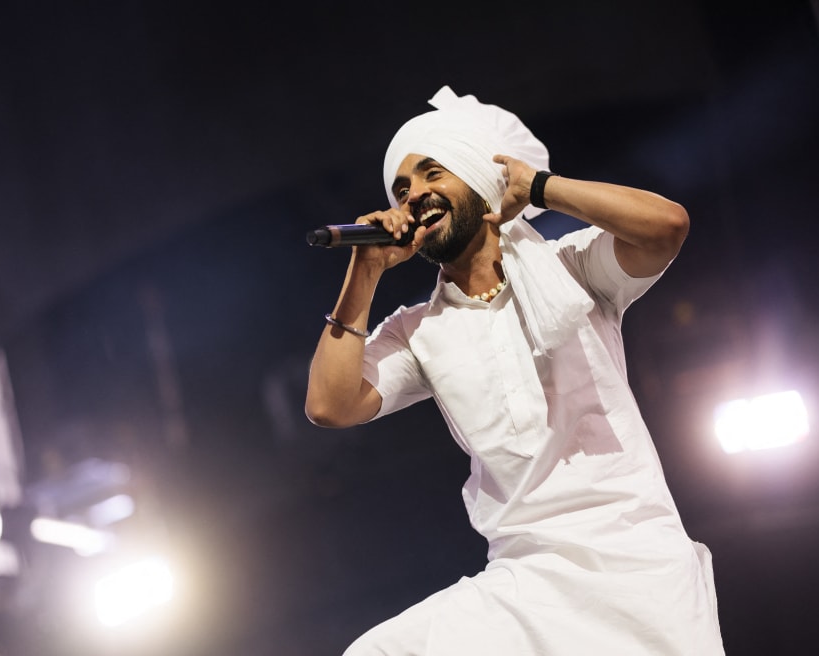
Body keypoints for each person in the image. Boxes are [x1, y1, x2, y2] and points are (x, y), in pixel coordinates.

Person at [304, 85, 725, 655]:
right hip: (526, 582)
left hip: (636, 563)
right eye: (402, 189)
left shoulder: (574, 269)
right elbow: (330, 406)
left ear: (480, 182)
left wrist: (542, 189)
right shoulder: (418, 330)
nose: (415, 195)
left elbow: (667, 226)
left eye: (433, 174)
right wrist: (366, 271)